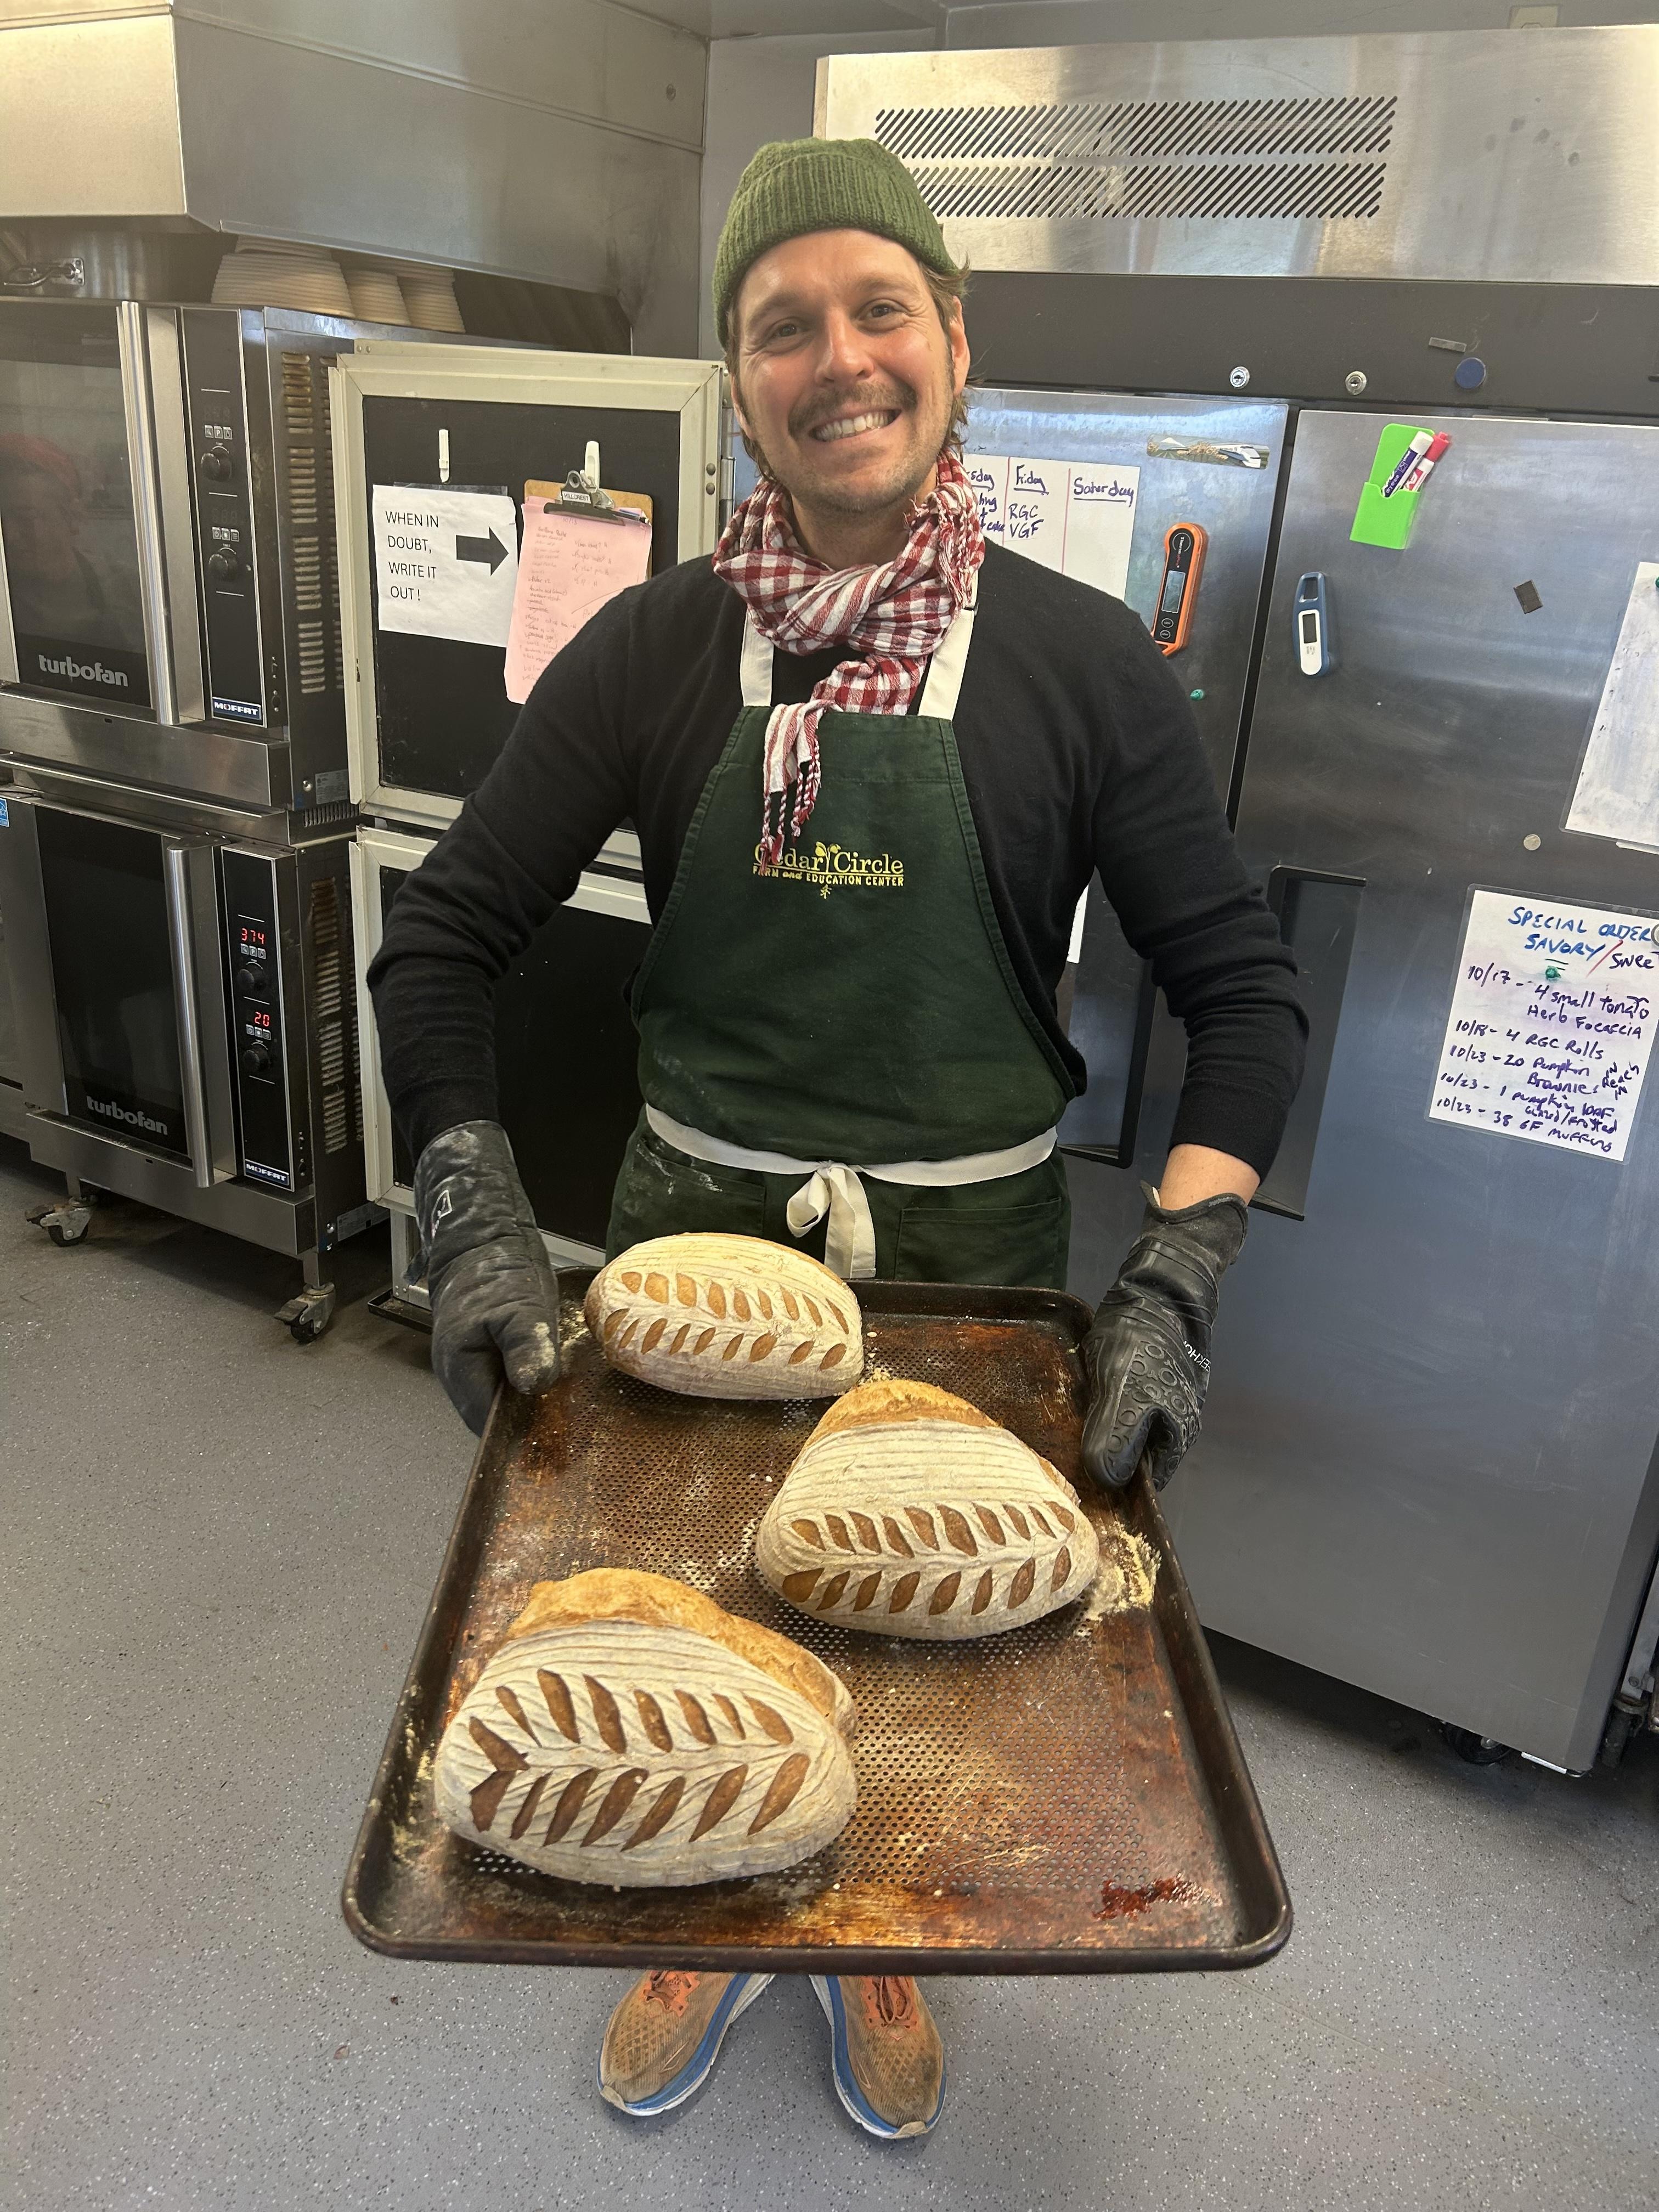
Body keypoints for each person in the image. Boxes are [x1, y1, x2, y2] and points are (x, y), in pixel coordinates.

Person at [368, 136, 1305, 2142]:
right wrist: (465, 1208)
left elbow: (1247, 1000)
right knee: (671, 1624)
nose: (840, 356)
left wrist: (1184, 1269)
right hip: (682, 1258)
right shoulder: (652, 651)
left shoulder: (1077, 667)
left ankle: (868, 1928)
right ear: (742, 384)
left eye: (881, 306)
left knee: (931, 1661)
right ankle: (696, 1913)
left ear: (955, 344)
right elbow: (441, 937)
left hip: (970, 1288)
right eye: (783, 325)